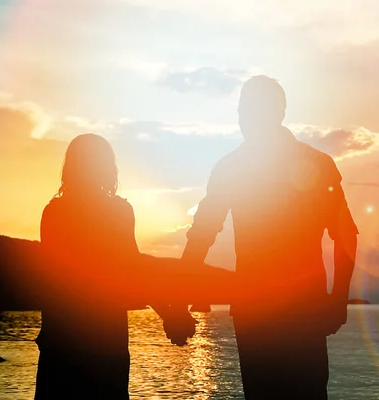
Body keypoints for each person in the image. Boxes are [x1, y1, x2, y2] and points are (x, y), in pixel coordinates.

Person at [180, 76, 359, 399]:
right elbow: (203, 231)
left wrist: (338, 299)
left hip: (297, 313)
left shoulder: (316, 165)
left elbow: (345, 235)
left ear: (279, 113)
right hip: (261, 313)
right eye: (242, 111)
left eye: (251, 111)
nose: (245, 119)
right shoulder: (233, 167)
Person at [35, 134, 143, 399]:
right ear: (108, 168)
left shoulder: (54, 213)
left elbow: (50, 277)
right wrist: (170, 312)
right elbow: (136, 271)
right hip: (106, 339)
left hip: (61, 339)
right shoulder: (119, 212)